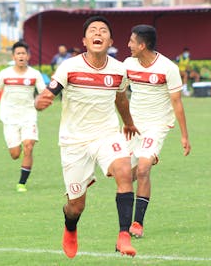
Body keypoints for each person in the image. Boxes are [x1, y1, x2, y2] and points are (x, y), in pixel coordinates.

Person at [34, 16, 139, 258]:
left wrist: (129, 123)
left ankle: (124, 236)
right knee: (76, 206)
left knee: (124, 170)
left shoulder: (119, 69)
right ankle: (70, 228)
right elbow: (49, 93)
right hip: (74, 142)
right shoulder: (69, 67)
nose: (98, 33)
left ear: (110, 41)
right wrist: (41, 102)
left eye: (103, 30)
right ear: (84, 40)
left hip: (107, 134)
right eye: (93, 30)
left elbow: (121, 99)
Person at [124, 24, 191, 239]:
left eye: (132, 41)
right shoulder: (127, 64)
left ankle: (137, 223)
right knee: (123, 176)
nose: (128, 45)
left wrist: (184, 136)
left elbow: (177, 103)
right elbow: (116, 92)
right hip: (133, 126)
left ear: (142, 45)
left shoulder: (167, 68)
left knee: (143, 170)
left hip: (157, 125)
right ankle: (148, 157)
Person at [0, 41, 46, 192]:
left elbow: (44, 94)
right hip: (9, 117)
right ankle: (20, 152)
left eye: (24, 53)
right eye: (18, 53)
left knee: (29, 146)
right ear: (13, 56)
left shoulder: (34, 74)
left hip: (29, 116)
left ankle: (21, 183)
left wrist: (44, 102)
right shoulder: (5, 74)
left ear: (28, 56)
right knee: (15, 154)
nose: (21, 56)